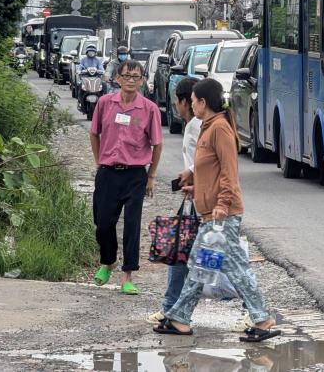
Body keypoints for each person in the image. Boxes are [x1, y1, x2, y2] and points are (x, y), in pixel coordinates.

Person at [154, 78, 279, 342]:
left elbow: (228, 172)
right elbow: (210, 170)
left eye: (195, 100)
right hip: (211, 212)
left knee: (234, 269)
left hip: (222, 216)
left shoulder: (219, 128)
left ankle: (262, 319)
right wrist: (193, 182)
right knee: (201, 267)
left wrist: (222, 203)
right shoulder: (208, 127)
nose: (192, 105)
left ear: (203, 102)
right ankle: (180, 318)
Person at [89, 59, 163, 295]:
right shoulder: (104, 103)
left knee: (132, 225)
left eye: (136, 77)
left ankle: (128, 274)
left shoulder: (149, 109)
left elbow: (157, 144)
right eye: (127, 76)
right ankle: (107, 261)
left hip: (135, 175)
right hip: (108, 172)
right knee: (103, 224)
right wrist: (99, 160)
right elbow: (94, 133)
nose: (131, 80)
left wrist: (151, 176)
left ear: (142, 81)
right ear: (117, 78)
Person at [146, 76, 200, 325]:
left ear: (184, 101)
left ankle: (256, 312)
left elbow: (205, 163)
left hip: (205, 203)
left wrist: (194, 183)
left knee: (222, 262)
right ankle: (171, 307)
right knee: (181, 254)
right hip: (197, 199)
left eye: (177, 101)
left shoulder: (197, 126)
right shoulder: (197, 125)